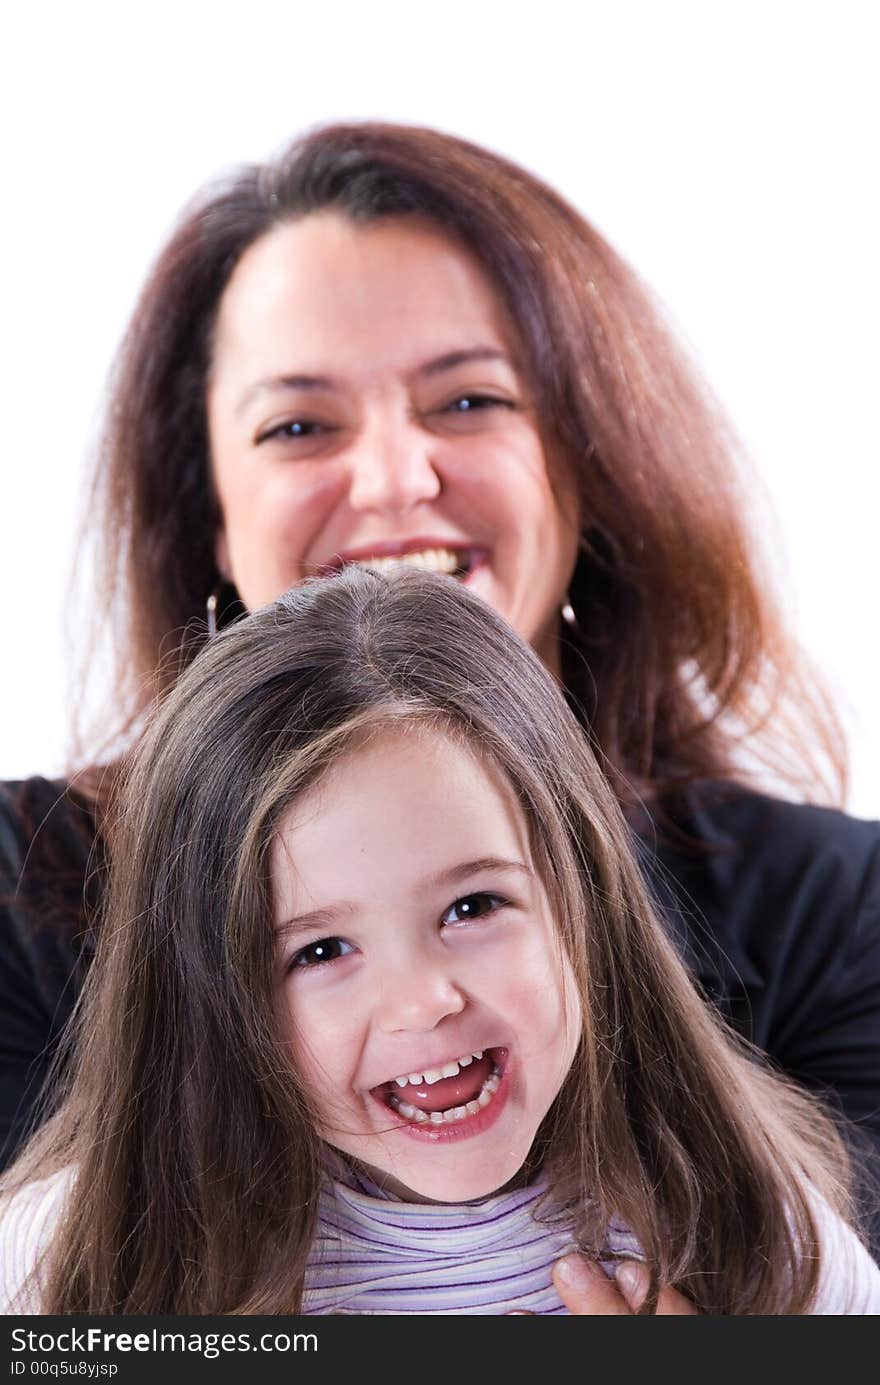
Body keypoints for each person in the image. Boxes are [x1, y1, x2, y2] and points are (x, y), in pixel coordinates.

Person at [1, 121, 879, 1260]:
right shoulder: (25, 888)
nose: (394, 477)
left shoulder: (833, 911)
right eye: (299, 424)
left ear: (589, 461)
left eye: (468, 402)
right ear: (211, 513)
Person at [1, 567, 878, 1315]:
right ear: (210, 995)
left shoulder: (755, 1225)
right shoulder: (82, 1256)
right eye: (319, 951)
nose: (424, 999)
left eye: (472, 907)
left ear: (585, 897)